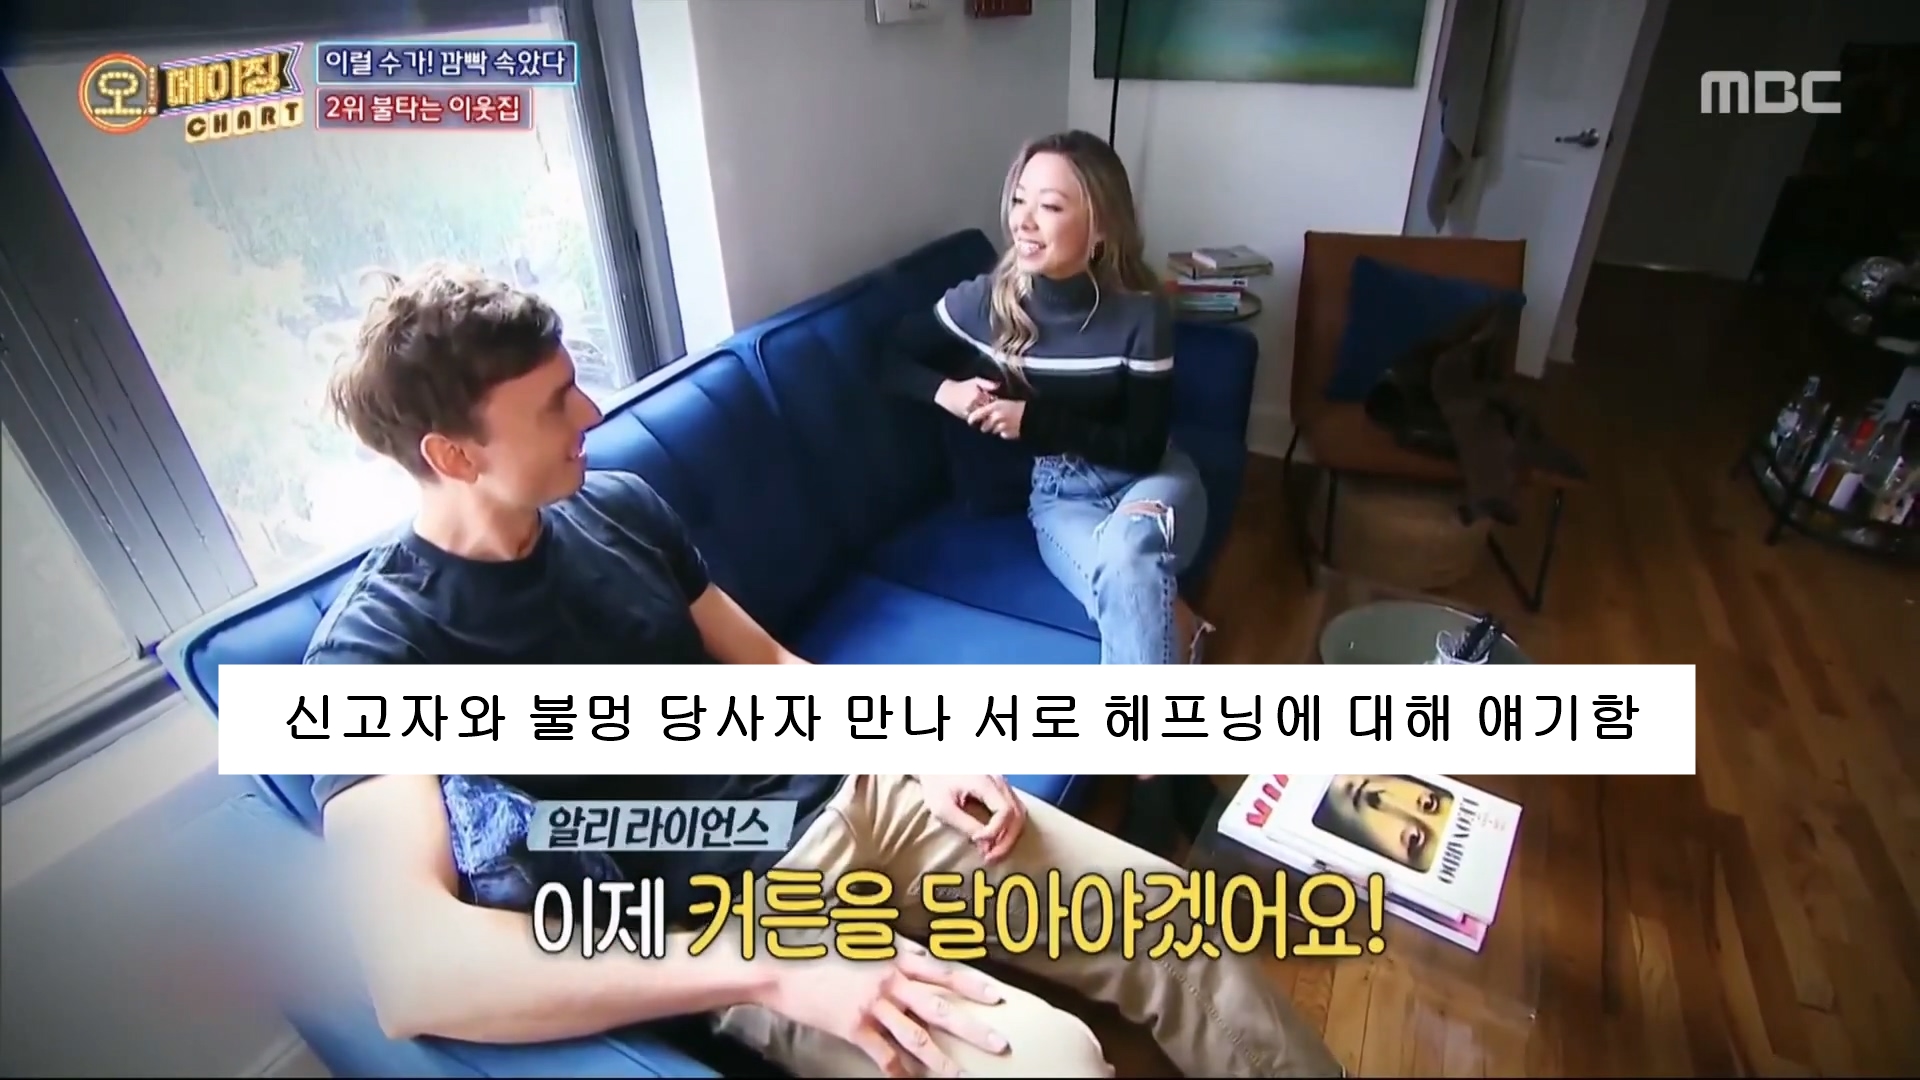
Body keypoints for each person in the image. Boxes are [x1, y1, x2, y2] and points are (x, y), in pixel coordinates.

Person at [304, 264, 1342, 1077]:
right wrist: (772, 975)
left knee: (1173, 923)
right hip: (739, 918)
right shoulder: (375, 652)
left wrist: (918, 749)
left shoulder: (614, 505)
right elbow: (413, 971)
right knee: (1057, 1062)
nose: (592, 416)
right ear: (453, 455)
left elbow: (772, 666)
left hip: (858, 792)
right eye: (554, 404)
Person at [883, 130, 1211, 665]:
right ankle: (1179, 635)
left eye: (1050, 206)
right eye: (1019, 200)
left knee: (1129, 554)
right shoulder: (986, 302)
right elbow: (887, 356)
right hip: (1062, 498)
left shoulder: (1141, 313)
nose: (1023, 221)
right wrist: (948, 392)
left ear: (1100, 225)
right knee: (1128, 575)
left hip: (1151, 479)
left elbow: (1143, 447)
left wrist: (1032, 421)